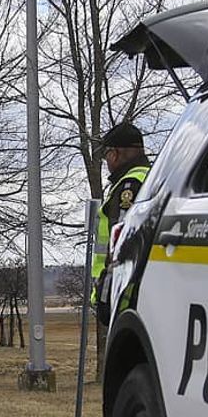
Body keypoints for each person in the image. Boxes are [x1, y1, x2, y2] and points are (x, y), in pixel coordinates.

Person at [91, 122, 151, 326]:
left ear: (114, 154)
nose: (106, 160)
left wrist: (106, 295)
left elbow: (121, 248)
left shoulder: (129, 186)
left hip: (125, 297)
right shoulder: (153, 178)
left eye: (106, 154)